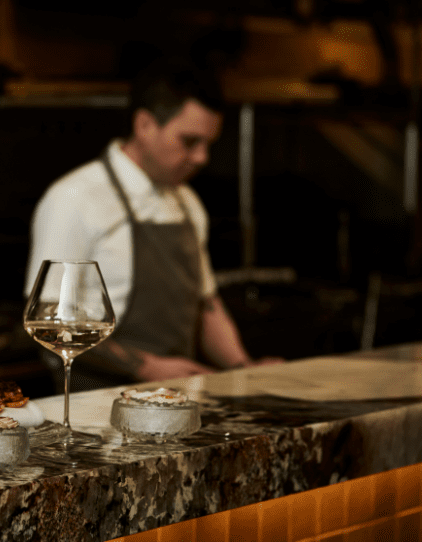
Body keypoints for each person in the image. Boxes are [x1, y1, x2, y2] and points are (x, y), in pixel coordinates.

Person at [25, 60, 281, 392]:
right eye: (190, 142)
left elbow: (207, 304)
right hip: (95, 403)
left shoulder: (187, 202)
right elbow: (47, 320)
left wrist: (242, 369)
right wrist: (145, 367)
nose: (202, 157)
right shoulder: (75, 198)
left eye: (208, 144)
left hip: (174, 401)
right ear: (145, 125)